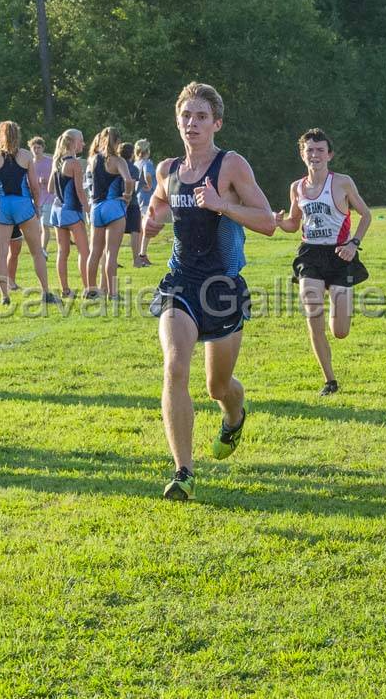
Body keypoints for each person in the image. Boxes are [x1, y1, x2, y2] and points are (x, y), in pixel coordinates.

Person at [143, 82, 277, 500]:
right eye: (186, 115)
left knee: (217, 388)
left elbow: (267, 221)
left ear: (216, 123)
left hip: (222, 286)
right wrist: (151, 222)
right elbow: (159, 206)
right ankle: (183, 471)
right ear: (177, 122)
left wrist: (222, 206)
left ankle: (234, 415)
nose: (192, 123)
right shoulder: (167, 170)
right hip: (180, 284)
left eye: (201, 116)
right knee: (175, 365)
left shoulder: (231, 165)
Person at [274, 128, 371, 395]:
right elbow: (294, 224)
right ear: (302, 154)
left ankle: (335, 298)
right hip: (310, 255)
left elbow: (366, 215)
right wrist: (279, 222)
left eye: (319, 150)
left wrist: (354, 244)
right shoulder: (296, 187)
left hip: (340, 254)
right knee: (311, 312)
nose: (314, 155)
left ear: (329, 154)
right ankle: (330, 380)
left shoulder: (342, 183)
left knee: (340, 331)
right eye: (309, 150)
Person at [0, 121, 57, 305]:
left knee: (1, 251)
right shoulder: (25, 155)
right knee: (36, 252)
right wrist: (37, 208)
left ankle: (4, 296)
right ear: (18, 135)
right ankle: (46, 293)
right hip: (23, 205)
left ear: (0, 136)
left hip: (2, 206)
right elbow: (34, 187)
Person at [85, 127, 133, 298]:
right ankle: (112, 293)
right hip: (113, 206)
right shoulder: (118, 161)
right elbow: (128, 180)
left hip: (96, 208)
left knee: (94, 252)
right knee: (111, 253)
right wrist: (127, 197)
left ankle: (91, 289)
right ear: (117, 141)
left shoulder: (92, 160)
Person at [47, 129, 91, 297]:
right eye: (81, 140)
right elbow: (80, 191)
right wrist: (87, 208)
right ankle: (89, 288)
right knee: (84, 251)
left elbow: (50, 188)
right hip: (71, 210)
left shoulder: (56, 161)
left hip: (56, 210)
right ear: (73, 143)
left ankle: (65, 289)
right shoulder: (74, 163)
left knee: (62, 252)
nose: (84, 143)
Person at [119, 141, 147, 268]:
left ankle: (112, 259)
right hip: (132, 202)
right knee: (135, 230)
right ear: (131, 154)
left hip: (117, 201)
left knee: (116, 232)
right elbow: (135, 185)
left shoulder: (115, 166)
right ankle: (136, 260)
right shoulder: (133, 168)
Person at [30, 136, 55, 260]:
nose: (36, 150)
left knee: (45, 225)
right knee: (36, 227)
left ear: (43, 148)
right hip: (34, 199)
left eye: (38, 147)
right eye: (34, 147)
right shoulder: (29, 163)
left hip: (49, 197)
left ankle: (43, 250)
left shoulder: (50, 162)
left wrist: (48, 181)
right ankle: (38, 249)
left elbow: (56, 176)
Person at [134, 139, 157, 266]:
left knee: (141, 228)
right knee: (147, 227)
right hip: (147, 198)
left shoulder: (136, 163)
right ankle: (142, 254)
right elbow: (147, 174)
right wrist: (150, 185)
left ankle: (140, 254)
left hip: (139, 198)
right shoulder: (147, 163)